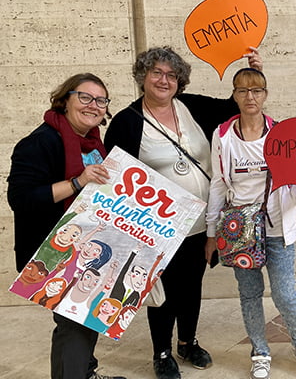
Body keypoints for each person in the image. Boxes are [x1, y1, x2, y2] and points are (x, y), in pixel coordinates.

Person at [105, 45, 262, 379]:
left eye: (172, 75)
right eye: (157, 73)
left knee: (191, 285)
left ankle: (188, 342)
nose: (164, 80)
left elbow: (237, 105)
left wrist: (254, 72)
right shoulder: (126, 122)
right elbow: (114, 179)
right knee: (162, 291)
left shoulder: (191, 106)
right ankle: (161, 351)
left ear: (180, 81)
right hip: (157, 226)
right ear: (143, 77)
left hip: (201, 222)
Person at [204, 67, 296, 379]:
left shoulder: (280, 134)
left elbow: (295, 182)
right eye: (243, 90)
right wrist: (211, 231)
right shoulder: (222, 136)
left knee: (285, 294)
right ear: (234, 95)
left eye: (256, 90)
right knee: (249, 293)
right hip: (240, 232)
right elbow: (218, 185)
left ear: (265, 95)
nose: (250, 97)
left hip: (277, 228)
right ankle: (259, 351)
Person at [7, 72, 122, 379]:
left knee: (85, 319)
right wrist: (76, 182)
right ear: (65, 100)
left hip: (88, 246)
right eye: (85, 97)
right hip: (54, 250)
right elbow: (21, 199)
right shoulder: (39, 143)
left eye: (101, 100)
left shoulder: (92, 143)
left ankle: (86, 372)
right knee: (74, 324)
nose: (93, 105)